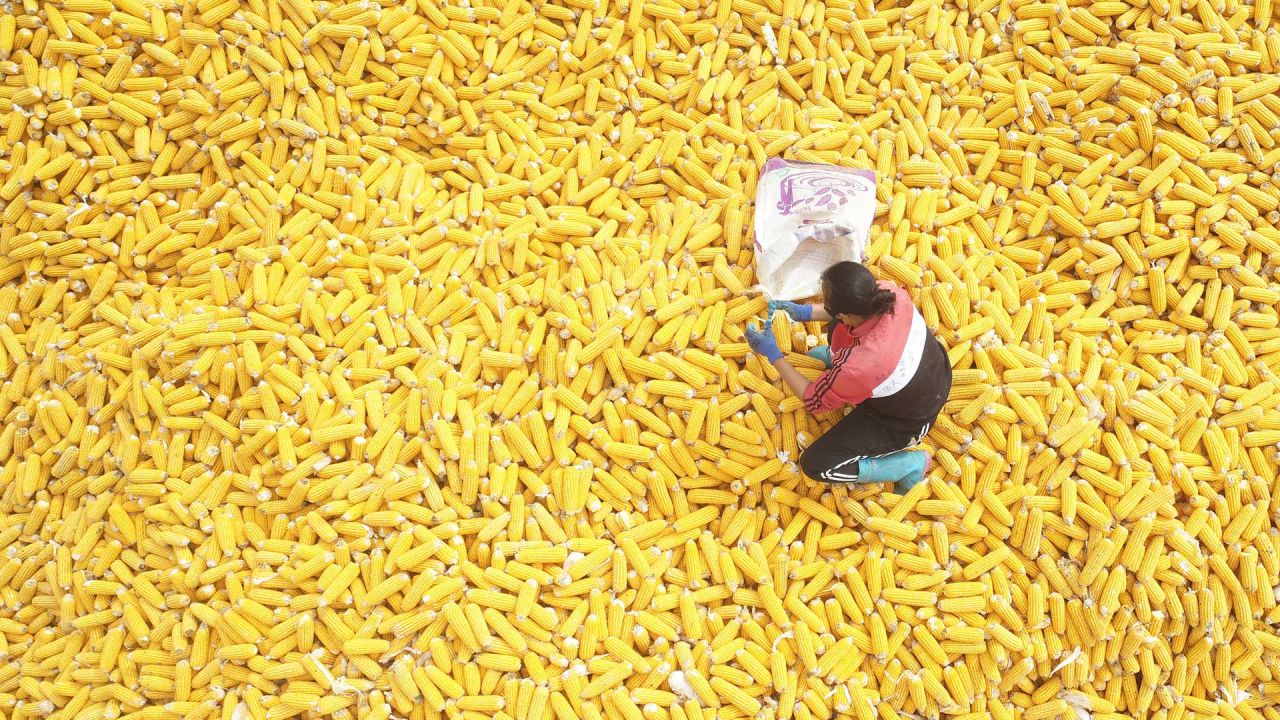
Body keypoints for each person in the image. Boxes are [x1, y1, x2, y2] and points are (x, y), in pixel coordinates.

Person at [745, 261, 952, 493]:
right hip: (934, 369)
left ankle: (906, 466)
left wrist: (773, 353)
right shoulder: (888, 292)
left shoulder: (860, 368)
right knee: (837, 330)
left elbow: (813, 400)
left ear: (845, 314)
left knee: (816, 465)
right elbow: (847, 313)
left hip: (908, 418)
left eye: (831, 309)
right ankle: (838, 362)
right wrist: (803, 313)